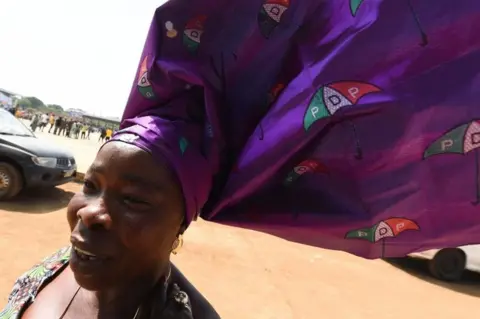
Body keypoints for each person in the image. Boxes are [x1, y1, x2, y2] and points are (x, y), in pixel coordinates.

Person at [0, 134, 219, 318]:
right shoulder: (59, 264)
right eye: (90, 185)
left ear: (181, 223)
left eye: (133, 199)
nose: (88, 213)